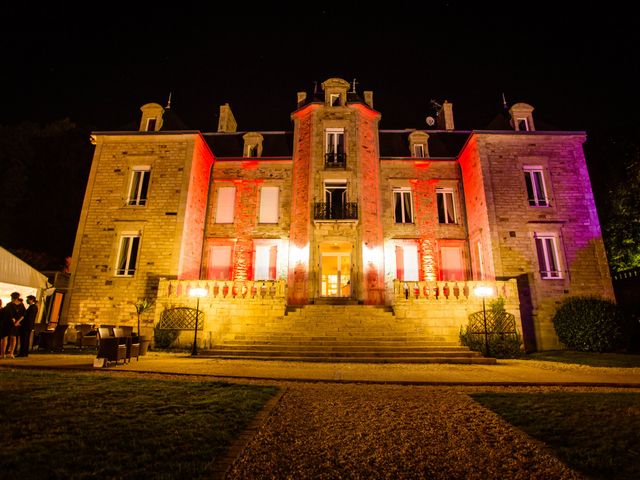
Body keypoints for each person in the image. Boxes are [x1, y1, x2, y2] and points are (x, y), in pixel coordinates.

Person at [1, 292, 23, 359]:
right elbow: (23, 315)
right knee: (13, 338)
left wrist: (15, 322)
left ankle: (3, 354)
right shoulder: (21, 305)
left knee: (5, 338)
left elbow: (9, 315)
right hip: (15, 324)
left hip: (8, 323)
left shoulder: (9, 305)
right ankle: (10, 354)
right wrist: (17, 322)